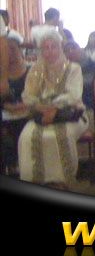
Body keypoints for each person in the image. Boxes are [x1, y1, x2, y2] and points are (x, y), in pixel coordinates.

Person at [17, 29, 88, 189]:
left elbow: (73, 95)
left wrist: (52, 106)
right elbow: (28, 95)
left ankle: (61, 182)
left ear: (60, 47)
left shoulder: (73, 68)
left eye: (54, 46)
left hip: (70, 113)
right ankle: (35, 180)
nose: (50, 51)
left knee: (61, 135)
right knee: (27, 136)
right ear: (41, 51)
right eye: (46, 48)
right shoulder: (35, 70)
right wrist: (41, 107)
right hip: (41, 113)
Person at [1, 30, 30, 174]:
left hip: (29, 114)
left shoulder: (33, 71)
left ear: (20, 49)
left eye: (12, 49)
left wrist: (23, 106)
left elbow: (40, 96)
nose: (9, 54)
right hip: (6, 116)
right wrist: (7, 106)